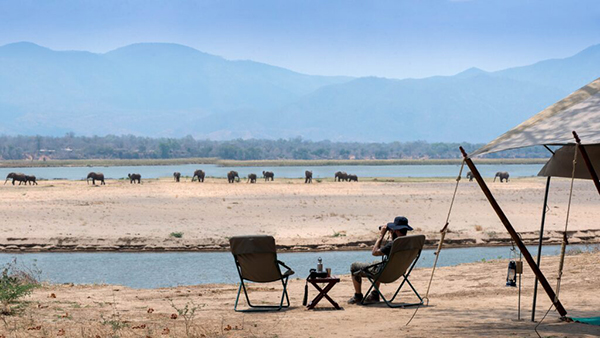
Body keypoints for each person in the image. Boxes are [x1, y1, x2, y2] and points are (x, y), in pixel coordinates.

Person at [348, 216, 413, 304]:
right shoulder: (410, 243)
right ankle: (375, 294)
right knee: (377, 263)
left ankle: (358, 296)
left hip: (385, 275)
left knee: (354, 266)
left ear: (396, 231)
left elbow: (374, 252)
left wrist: (381, 235)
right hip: (399, 272)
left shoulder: (394, 244)